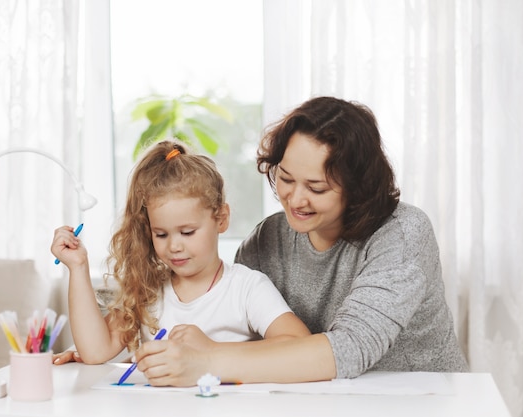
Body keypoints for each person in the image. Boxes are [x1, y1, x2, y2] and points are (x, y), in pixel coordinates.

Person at [133, 96, 469, 386]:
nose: (295, 200)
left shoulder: (403, 234)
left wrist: (206, 362)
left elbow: (349, 350)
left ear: (358, 188)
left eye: (317, 188)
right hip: (324, 401)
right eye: (286, 178)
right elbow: (237, 332)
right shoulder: (268, 239)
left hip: (425, 401)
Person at [50, 140, 310, 366]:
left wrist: (211, 351)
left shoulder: (247, 288)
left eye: (187, 232)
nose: (174, 246)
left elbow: (300, 346)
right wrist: (78, 266)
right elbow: (96, 351)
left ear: (221, 218)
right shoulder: (147, 291)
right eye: (161, 234)